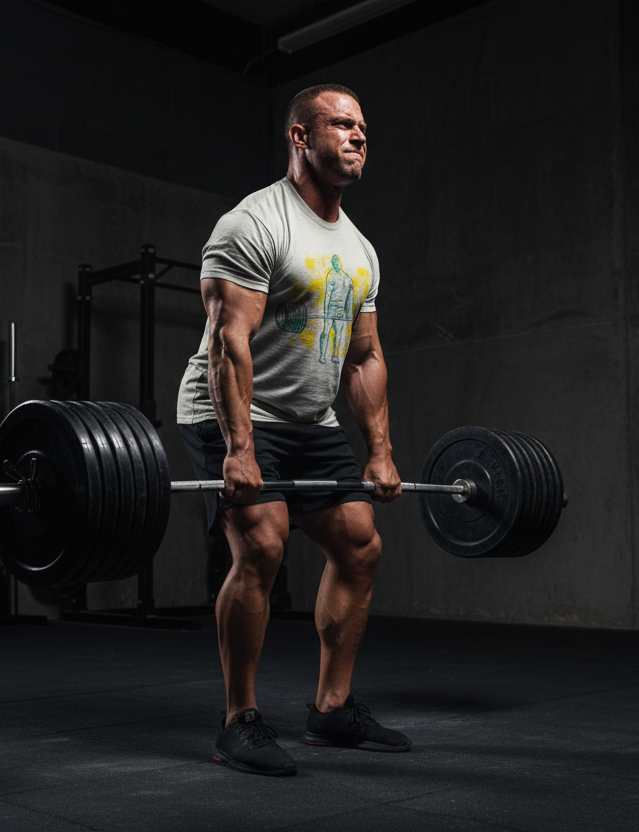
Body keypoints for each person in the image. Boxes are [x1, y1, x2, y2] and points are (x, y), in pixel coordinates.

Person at [176, 84, 411, 777]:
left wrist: (380, 452)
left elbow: (364, 357)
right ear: (300, 137)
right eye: (341, 124)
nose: (359, 135)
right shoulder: (254, 223)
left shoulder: (360, 250)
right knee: (263, 543)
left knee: (360, 545)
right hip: (232, 411)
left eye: (362, 126)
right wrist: (240, 449)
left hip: (309, 420)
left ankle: (331, 709)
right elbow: (228, 343)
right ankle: (239, 720)